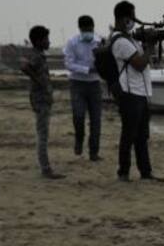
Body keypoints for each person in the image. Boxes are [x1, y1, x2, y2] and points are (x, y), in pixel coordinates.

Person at [110, 0, 162, 181]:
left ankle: (145, 172)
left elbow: (144, 60)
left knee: (141, 136)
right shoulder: (120, 42)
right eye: (132, 17)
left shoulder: (130, 40)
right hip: (130, 93)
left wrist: (149, 45)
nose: (134, 20)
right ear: (124, 18)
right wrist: (150, 45)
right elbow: (139, 64)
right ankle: (123, 172)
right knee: (129, 135)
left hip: (140, 93)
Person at [20, 25, 64, 179]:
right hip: (41, 99)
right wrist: (37, 80)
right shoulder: (37, 57)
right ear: (39, 41)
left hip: (42, 98)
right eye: (46, 39)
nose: (49, 42)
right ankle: (45, 168)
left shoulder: (38, 55)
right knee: (43, 134)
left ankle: (45, 167)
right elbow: (25, 67)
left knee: (43, 133)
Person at [63, 15, 103, 160]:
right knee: (78, 115)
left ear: (93, 28)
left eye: (90, 30)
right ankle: (79, 139)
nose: (88, 33)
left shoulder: (99, 41)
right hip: (77, 83)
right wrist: (87, 70)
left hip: (95, 84)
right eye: (85, 30)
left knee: (96, 120)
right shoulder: (72, 42)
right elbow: (68, 64)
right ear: (80, 29)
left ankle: (94, 152)